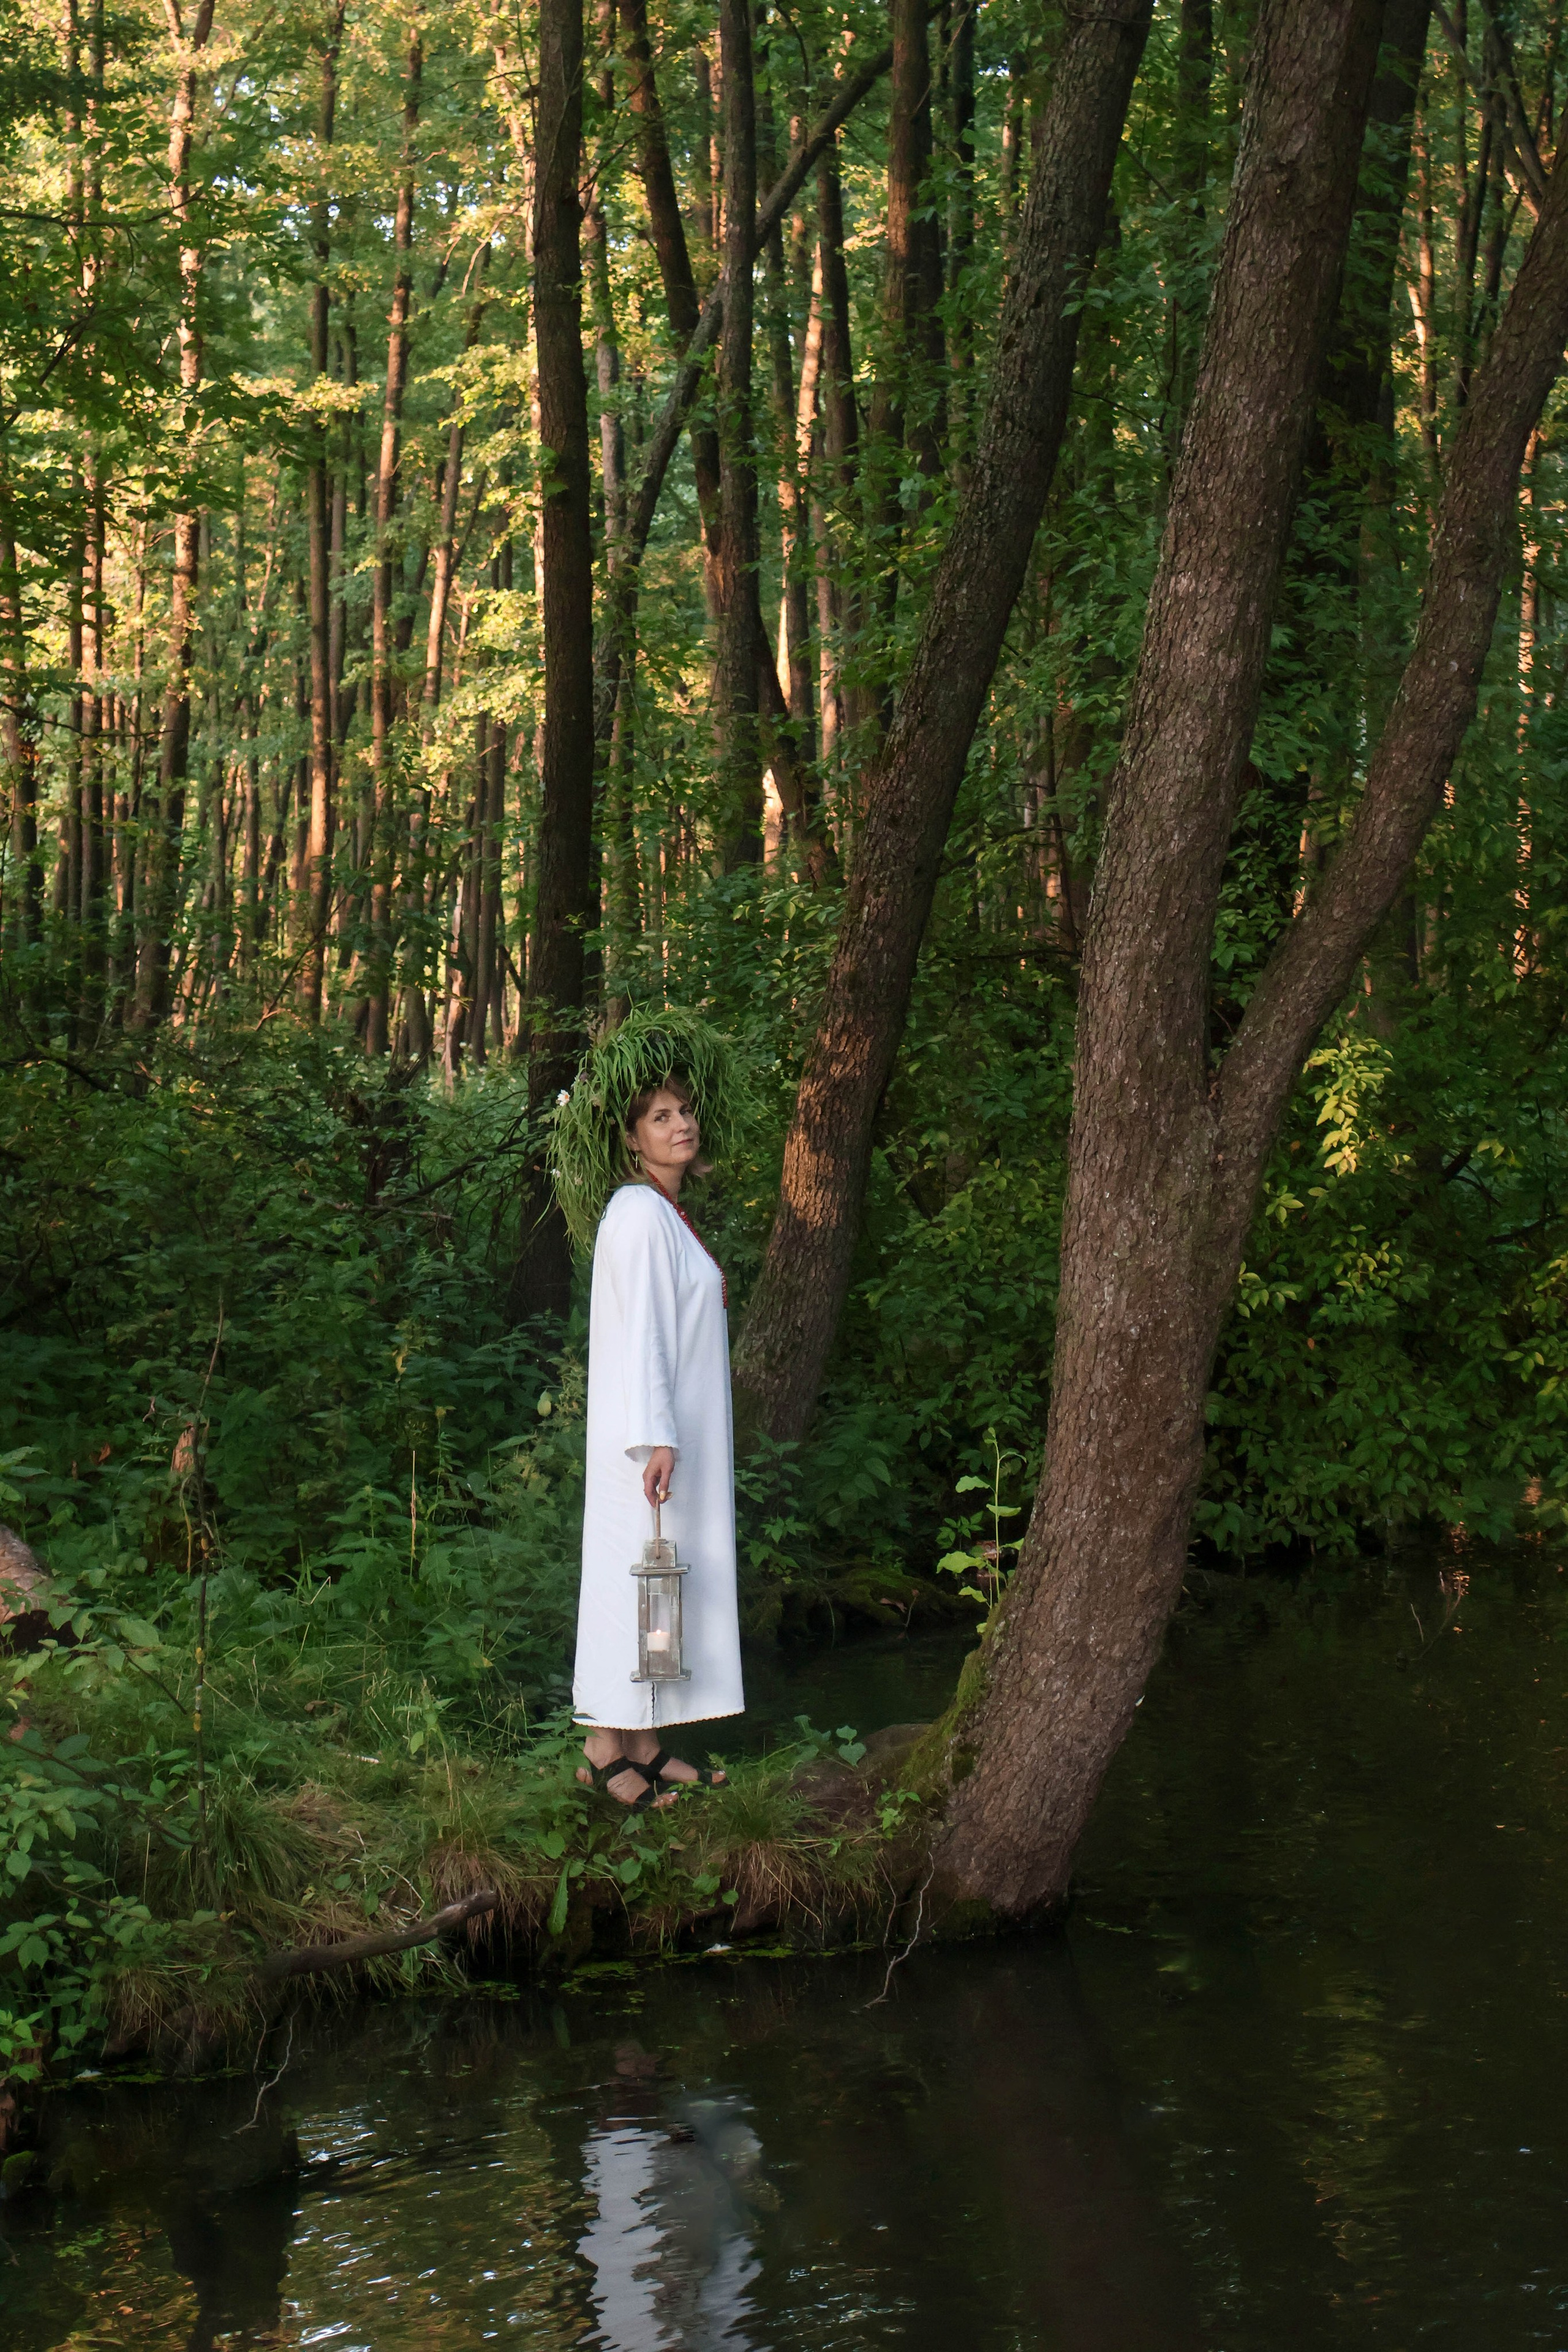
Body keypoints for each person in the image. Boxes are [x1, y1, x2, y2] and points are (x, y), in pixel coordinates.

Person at [568, 1061, 743, 1811]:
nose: (681, 1125)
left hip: (673, 1434)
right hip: (650, 1443)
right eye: (661, 1117)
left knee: (662, 1591)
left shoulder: (662, 1214)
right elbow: (641, 1334)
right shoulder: (638, 1212)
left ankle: (646, 1741)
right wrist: (656, 1435)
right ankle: (604, 1749)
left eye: (684, 1112)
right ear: (633, 1140)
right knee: (633, 1582)